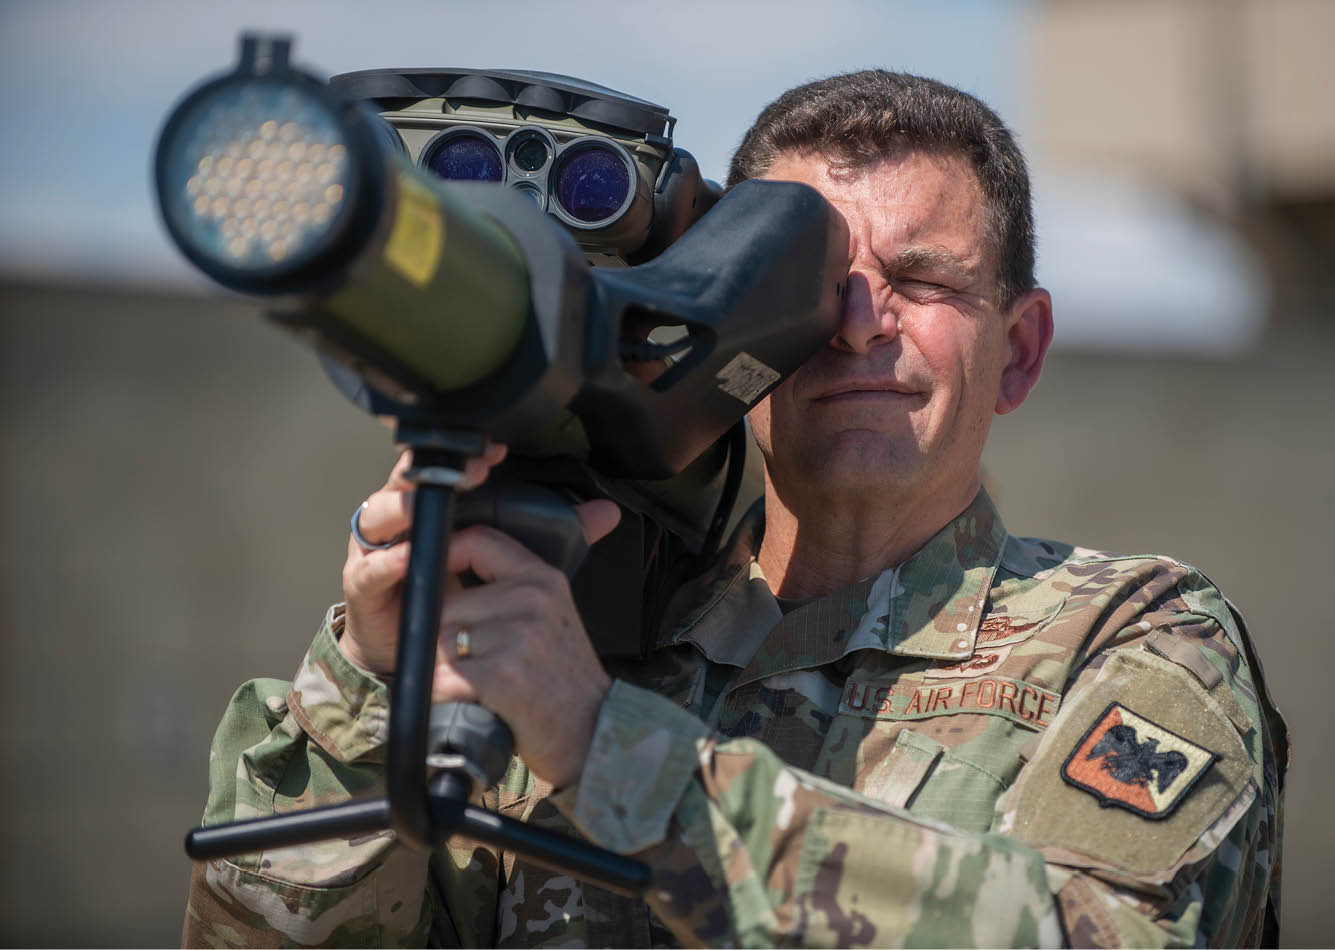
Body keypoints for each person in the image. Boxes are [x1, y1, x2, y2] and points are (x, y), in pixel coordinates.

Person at [183, 70, 1287, 947]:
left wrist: (609, 748)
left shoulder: (1136, 637)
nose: (861, 325)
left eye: (926, 279)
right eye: (817, 283)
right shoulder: (582, 637)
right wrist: (366, 701)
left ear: (1021, 349)